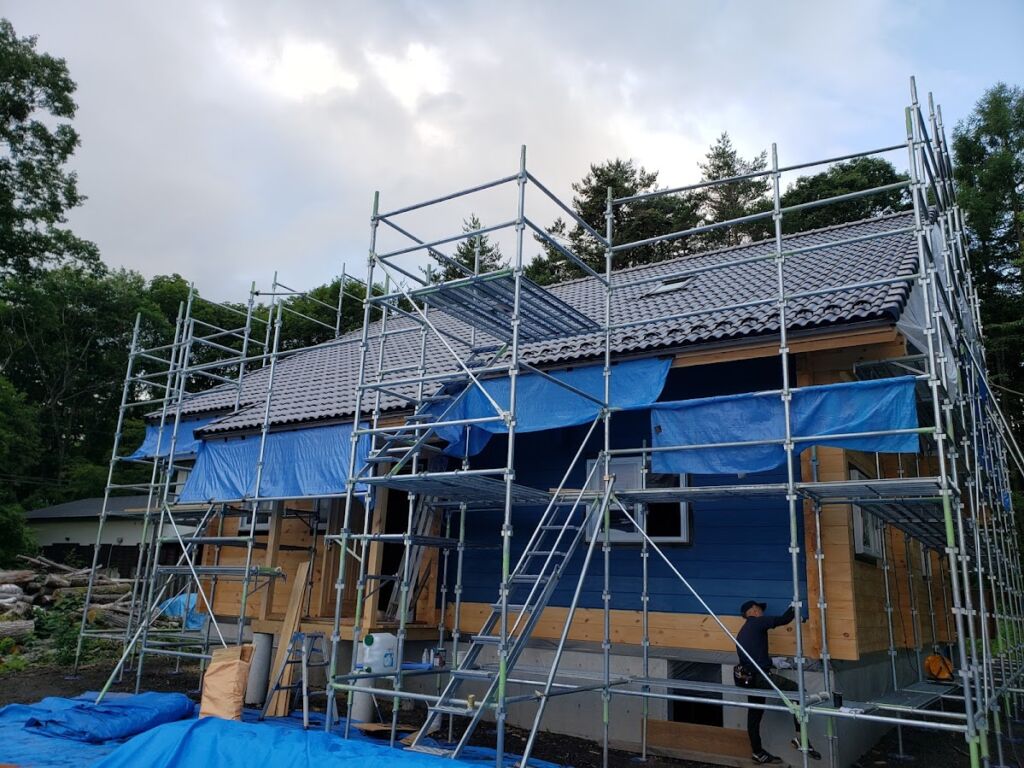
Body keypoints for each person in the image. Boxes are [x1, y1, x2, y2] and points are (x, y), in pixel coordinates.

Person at [733, 600, 821, 764]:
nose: (763, 613)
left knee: (755, 714)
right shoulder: (757, 622)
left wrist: (771, 662)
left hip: (749, 678)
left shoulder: (744, 631)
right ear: (753, 610)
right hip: (760, 677)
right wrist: (794, 605)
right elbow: (784, 620)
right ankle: (800, 738)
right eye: (760, 609)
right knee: (797, 691)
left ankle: (757, 752)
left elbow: (753, 657)